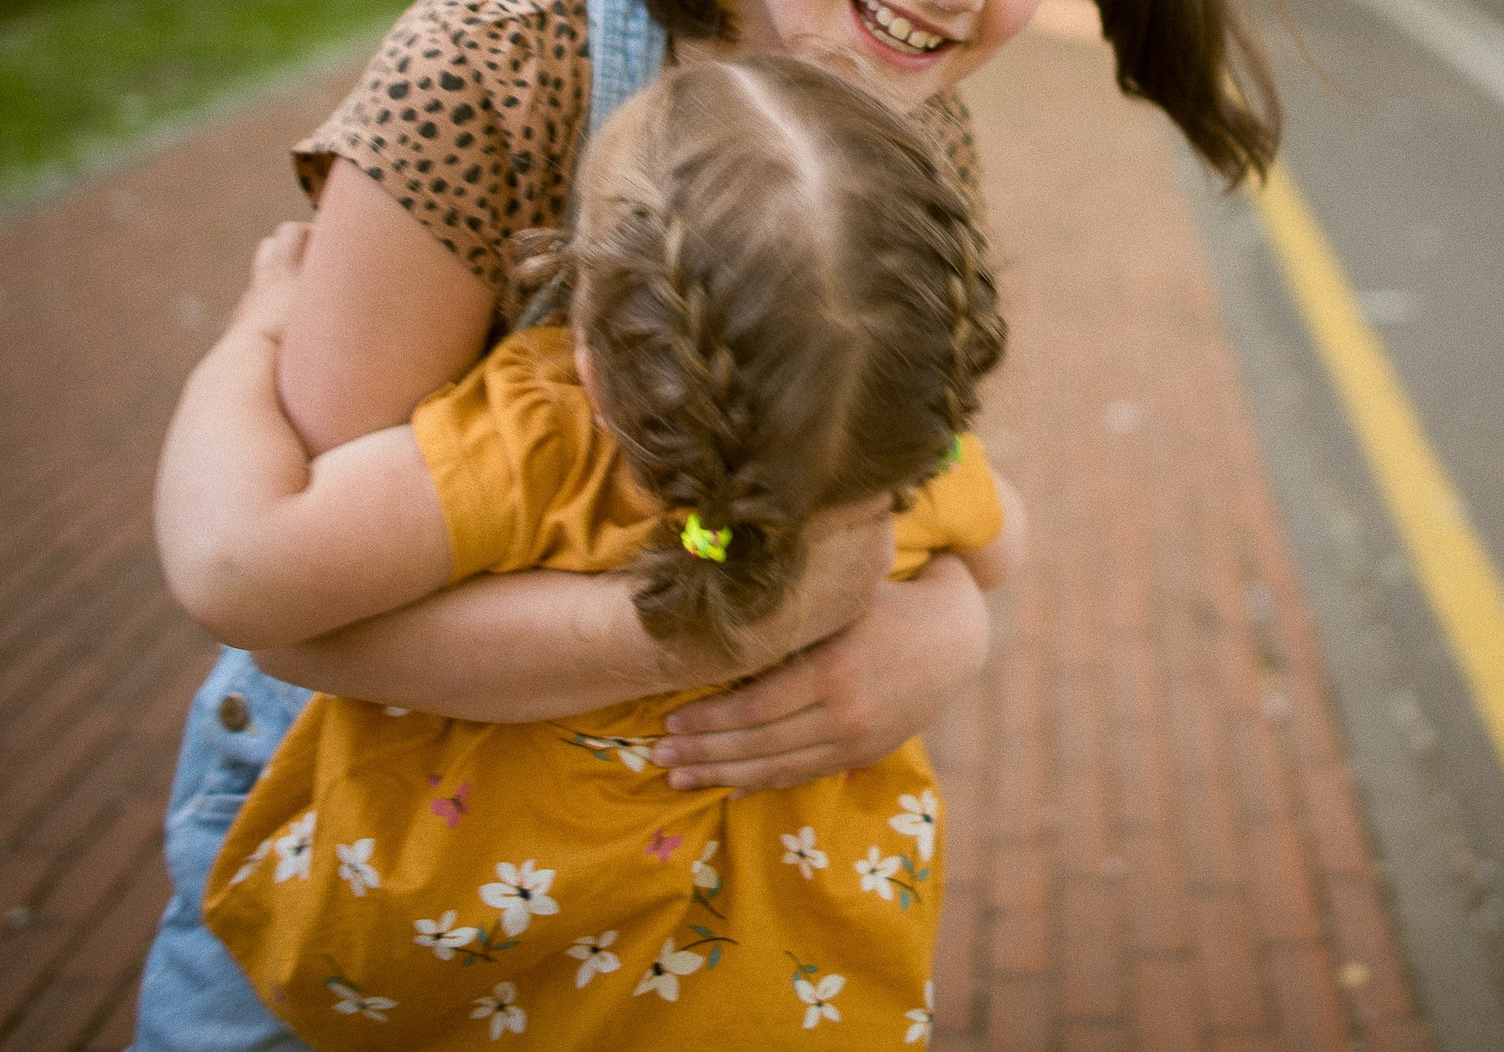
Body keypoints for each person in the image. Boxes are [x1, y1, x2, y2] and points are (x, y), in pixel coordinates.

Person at [133, 0, 1280, 1046]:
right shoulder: (487, 77)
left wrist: (946, 630)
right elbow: (302, 616)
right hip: (367, 879)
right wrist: (742, 629)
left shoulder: (914, 138)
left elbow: (897, 491)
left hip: (671, 935)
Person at [160, 55, 1022, 1047]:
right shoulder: (908, 466)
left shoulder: (538, 448)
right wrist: (949, 602)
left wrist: (251, 336)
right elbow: (1002, 550)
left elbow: (234, 567)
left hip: (467, 975)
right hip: (781, 1003)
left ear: (587, 341)